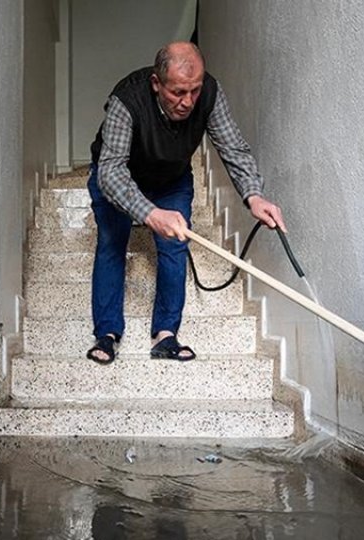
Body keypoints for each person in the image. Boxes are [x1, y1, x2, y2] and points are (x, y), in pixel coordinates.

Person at [85, 41, 285, 364]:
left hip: (170, 178)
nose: (188, 102)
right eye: (178, 92)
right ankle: (107, 334)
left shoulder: (209, 93)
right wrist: (149, 213)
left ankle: (166, 335)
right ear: (156, 84)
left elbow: (233, 147)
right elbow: (110, 173)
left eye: (194, 90)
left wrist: (254, 195)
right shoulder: (127, 100)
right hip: (120, 175)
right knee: (112, 240)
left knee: (175, 244)